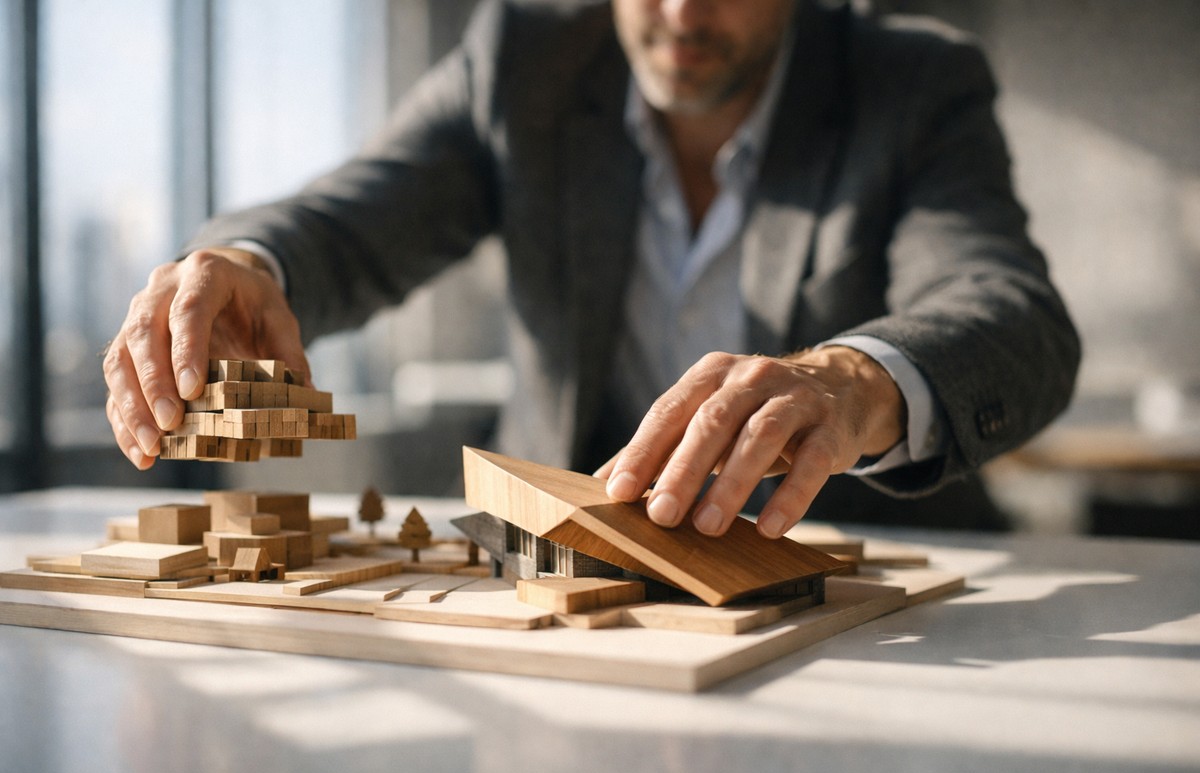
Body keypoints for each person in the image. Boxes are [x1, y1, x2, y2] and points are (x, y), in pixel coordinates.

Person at [103, 0, 1080, 537]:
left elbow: (1011, 310)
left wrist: (854, 382)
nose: (682, 13)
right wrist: (245, 259)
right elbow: (352, 219)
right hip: (572, 597)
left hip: (875, 602)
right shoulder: (521, 62)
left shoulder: (913, 79)